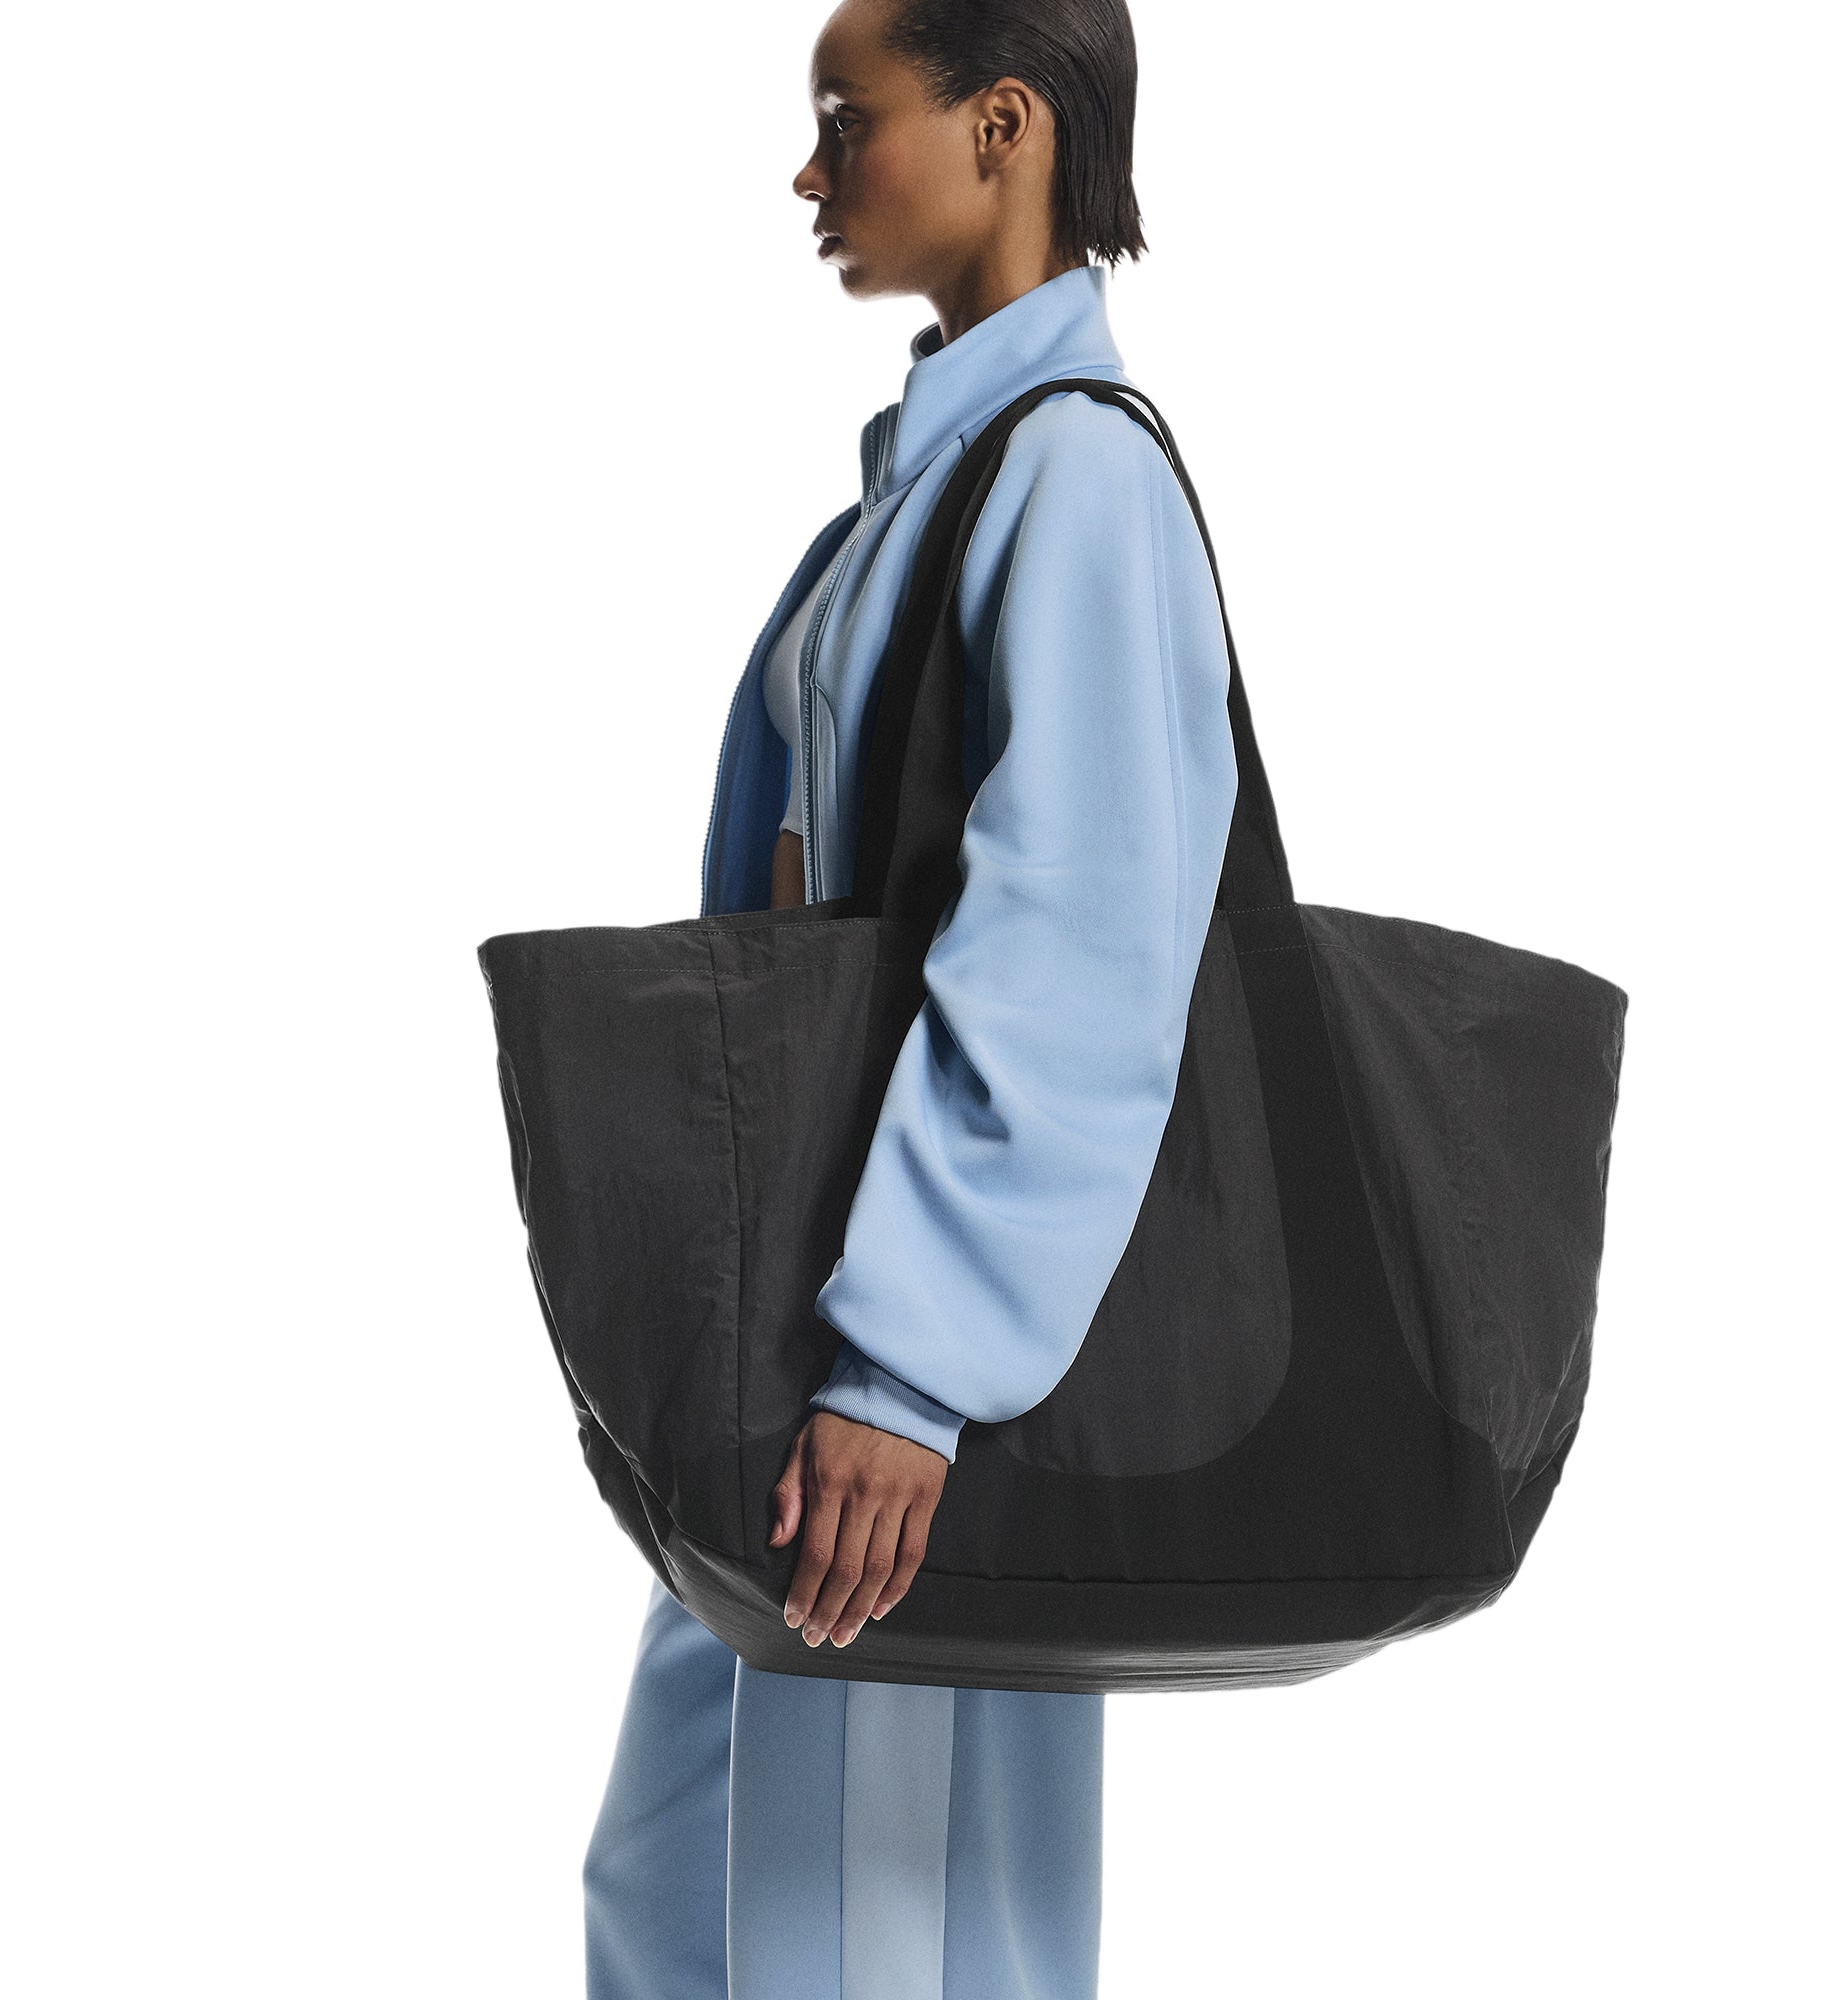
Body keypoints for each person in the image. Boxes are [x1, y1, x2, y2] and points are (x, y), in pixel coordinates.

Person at [582, 3, 1239, 1994]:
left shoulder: (1078, 480)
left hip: (912, 1375)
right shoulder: (926, 491)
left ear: (1004, 123)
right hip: (812, 1337)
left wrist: (909, 1371)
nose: (811, 173)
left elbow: (1081, 945)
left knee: (878, 1938)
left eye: (845, 121)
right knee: (675, 1886)